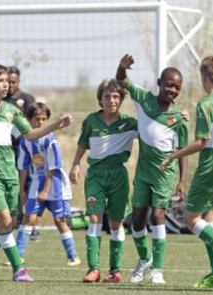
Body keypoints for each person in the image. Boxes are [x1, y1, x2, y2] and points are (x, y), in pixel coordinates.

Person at [0, 64, 72, 282]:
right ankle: (19, 269)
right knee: (5, 220)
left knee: (7, 224)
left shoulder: (12, 112)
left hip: (10, 175)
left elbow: (30, 134)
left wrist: (55, 125)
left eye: (7, 81)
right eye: (1, 81)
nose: (6, 85)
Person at [161, 55, 213, 289]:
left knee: (191, 220)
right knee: (209, 217)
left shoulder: (206, 105)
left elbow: (200, 143)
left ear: (204, 77)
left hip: (210, 168)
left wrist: (174, 156)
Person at [116, 54, 189, 284]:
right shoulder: (144, 99)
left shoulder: (180, 118)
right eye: (169, 85)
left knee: (158, 215)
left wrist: (182, 179)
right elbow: (122, 82)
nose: (172, 90)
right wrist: (122, 68)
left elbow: (184, 150)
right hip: (143, 171)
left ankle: (158, 268)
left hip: (164, 173)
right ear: (159, 83)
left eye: (177, 87)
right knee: (137, 219)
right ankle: (145, 259)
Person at [69, 78, 138, 283]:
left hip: (118, 176)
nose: (111, 100)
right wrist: (75, 164)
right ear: (100, 99)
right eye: (107, 96)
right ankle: (93, 269)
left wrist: (177, 117)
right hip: (96, 176)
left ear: (121, 98)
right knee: (95, 219)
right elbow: (82, 143)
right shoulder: (91, 120)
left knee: (116, 223)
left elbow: (153, 131)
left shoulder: (131, 123)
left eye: (116, 96)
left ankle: (115, 271)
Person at [16, 102, 81, 266]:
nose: (41, 123)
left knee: (60, 221)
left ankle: (73, 256)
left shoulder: (50, 140)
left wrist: (46, 191)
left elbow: (53, 167)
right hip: (36, 183)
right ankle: (18, 256)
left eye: (44, 119)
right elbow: (23, 167)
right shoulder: (24, 141)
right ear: (28, 120)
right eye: (37, 119)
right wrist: (22, 190)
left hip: (55, 186)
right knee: (28, 218)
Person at [3, 65, 41, 241]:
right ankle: (10, 222)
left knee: (29, 185)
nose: (10, 85)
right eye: (7, 81)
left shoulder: (27, 99)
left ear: (18, 81)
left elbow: (35, 122)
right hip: (5, 149)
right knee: (10, 186)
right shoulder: (0, 100)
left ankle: (32, 225)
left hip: (24, 148)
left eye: (13, 82)